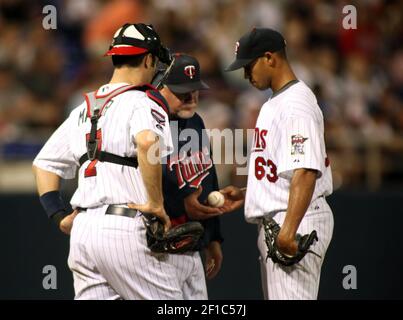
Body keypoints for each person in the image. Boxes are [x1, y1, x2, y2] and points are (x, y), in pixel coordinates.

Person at [32, 23, 205, 300]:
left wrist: (59, 216)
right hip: (125, 226)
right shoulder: (141, 101)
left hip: (83, 233)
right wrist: (157, 204)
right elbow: (148, 141)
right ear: (148, 58)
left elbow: (44, 164)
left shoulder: (83, 107)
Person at [222, 27, 334, 300]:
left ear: (269, 58)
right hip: (285, 215)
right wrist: (250, 194)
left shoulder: (296, 104)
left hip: (295, 219)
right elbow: (285, 172)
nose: (246, 75)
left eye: (249, 66)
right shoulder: (278, 101)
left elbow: (306, 171)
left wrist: (289, 231)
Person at [158, 53, 225, 280]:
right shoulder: (148, 122)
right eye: (181, 91)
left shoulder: (195, 121)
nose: (191, 98)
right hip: (159, 247)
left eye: (194, 89)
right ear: (160, 86)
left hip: (193, 245)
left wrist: (213, 238)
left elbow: (208, 177)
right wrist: (181, 204)